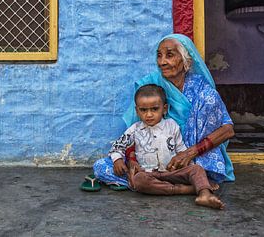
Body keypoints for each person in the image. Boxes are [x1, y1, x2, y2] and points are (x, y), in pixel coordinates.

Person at [93, 33, 235, 189]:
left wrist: (189, 153)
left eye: (169, 55)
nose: (162, 62)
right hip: (148, 162)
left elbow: (227, 130)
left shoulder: (202, 91)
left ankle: (158, 183)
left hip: (192, 159)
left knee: (209, 100)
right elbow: (134, 131)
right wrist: (132, 160)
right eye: (159, 56)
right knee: (101, 166)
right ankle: (182, 184)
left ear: (185, 59)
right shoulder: (149, 85)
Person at [111, 84, 224, 209]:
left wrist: (187, 167)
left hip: (172, 172)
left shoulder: (172, 125)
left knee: (197, 169)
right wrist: (118, 159)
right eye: (143, 110)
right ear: (137, 111)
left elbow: (181, 151)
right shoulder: (134, 129)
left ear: (164, 109)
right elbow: (118, 146)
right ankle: (185, 190)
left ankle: (204, 194)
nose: (149, 115)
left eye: (154, 109)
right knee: (139, 181)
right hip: (149, 174)